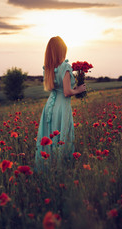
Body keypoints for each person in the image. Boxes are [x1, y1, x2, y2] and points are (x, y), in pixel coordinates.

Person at [35, 36, 86, 172]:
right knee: (63, 135)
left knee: (50, 134)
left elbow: (58, 89)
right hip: (62, 107)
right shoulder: (65, 66)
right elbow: (67, 92)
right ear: (61, 51)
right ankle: (62, 168)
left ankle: (47, 167)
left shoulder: (48, 68)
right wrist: (79, 90)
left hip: (50, 107)